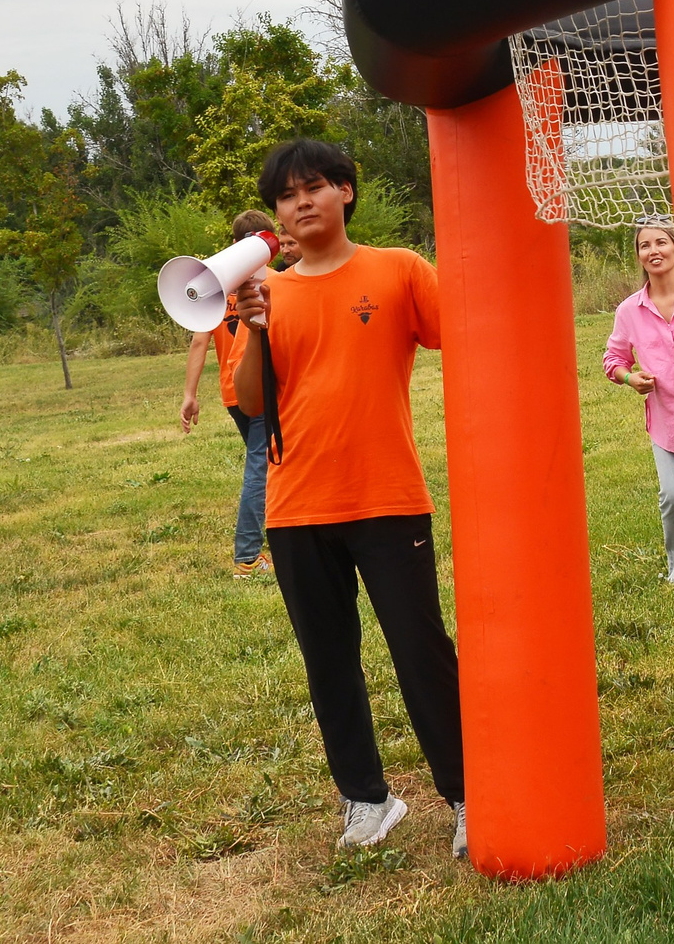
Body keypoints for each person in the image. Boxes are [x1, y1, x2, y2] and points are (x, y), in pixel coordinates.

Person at [231, 138, 465, 857]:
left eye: (313, 187)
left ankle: (469, 793)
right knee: (328, 659)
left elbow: (461, 334)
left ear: (345, 192)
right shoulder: (271, 292)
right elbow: (247, 400)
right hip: (297, 507)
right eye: (284, 196)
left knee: (420, 651)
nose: (299, 203)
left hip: (388, 498)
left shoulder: (397, 270)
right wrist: (253, 326)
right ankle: (368, 798)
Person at [603, 217, 674, 583]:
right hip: (664, 421)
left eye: (661, 242)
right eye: (645, 245)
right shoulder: (629, 311)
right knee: (673, 496)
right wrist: (631, 377)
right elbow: (613, 360)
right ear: (638, 256)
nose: (654, 251)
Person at [181, 208, 281, 579]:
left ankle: (270, 540)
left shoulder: (212, 285)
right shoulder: (273, 279)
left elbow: (198, 342)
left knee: (267, 464)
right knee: (261, 468)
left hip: (231, 393)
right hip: (260, 386)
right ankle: (247, 556)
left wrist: (190, 395)